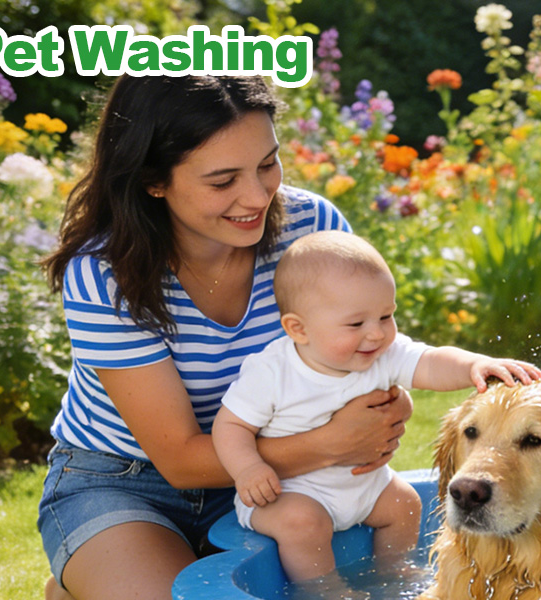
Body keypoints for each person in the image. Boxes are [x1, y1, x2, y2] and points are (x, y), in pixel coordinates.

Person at [38, 76, 415, 600]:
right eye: (222, 181)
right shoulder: (105, 273)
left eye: (267, 165)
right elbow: (180, 459)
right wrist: (331, 442)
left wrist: (385, 406)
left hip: (284, 483)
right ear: (154, 180)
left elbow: (368, 351)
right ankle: (97, 568)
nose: (257, 196)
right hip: (126, 481)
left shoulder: (311, 228)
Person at [212, 230, 541, 587]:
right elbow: (230, 426)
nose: (376, 334)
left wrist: (473, 366)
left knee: (404, 503)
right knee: (304, 523)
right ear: (299, 329)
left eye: (386, 316)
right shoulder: (272, 372)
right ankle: (322, 589)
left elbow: (431, 362)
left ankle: (393, 570)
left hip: (365, 488)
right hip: (289, 493)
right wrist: (248, 468)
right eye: (356, 324)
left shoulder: (381, 354)